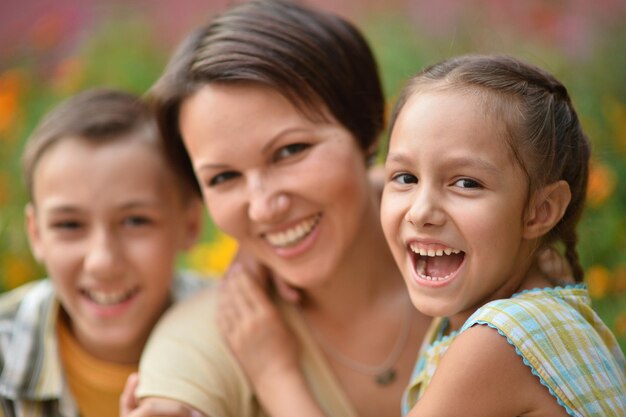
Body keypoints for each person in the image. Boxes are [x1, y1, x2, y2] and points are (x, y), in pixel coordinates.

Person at [125, 1, 433, 416]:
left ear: (368, 127)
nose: (265, 208)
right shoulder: (205, 339)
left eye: (291, 151)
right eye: (223, 177)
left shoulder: (492, 261)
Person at [380, 54, 626, 416]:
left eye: (466, 183)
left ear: (541, 211)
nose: (420, 212)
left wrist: (279, 370)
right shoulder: (545, 283)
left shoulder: (497, 342)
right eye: (406, 178)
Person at [0, 88, 209, 417]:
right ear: (36, 234)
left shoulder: (243, 337)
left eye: (135, 221)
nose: (102, 261)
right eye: (69, 225)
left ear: (190, 224)